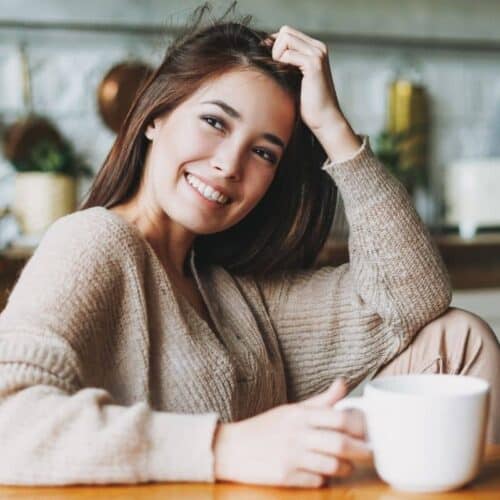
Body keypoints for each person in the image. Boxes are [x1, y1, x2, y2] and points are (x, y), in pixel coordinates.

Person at [0, 4, 498, 489]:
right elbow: (8, 421)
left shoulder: (228, 288)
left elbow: (414, 296)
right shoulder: (94, 241)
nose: (230, 164)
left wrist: (333, 130)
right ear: (155, 116)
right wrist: (224, 447)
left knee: (459, 336)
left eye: (263, 151)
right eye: (215, 122)